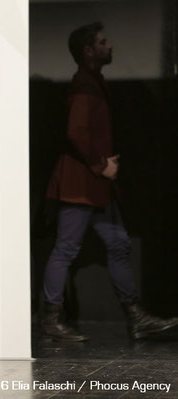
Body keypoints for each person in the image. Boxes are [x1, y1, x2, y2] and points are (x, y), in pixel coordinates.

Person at [42, 22, 178, 341]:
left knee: (118, 245)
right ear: (89, 50)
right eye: (103, 42)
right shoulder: (84, 85)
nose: (110, 46)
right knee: (66, 248)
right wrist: (101, 165)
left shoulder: (93, 83)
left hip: (96, 186)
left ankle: (136, 317)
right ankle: (50, 318)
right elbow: (76, 132)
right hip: (81, 184)